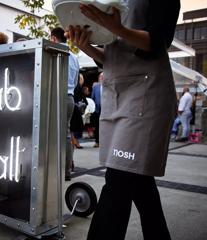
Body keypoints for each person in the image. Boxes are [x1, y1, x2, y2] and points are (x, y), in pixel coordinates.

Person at [66, 0, 180, 239]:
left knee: (118, 179)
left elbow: (158, 42)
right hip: (117, 94)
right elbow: (108, 57)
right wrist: (84, 45)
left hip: (147, 94)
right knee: (139, 183)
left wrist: (117, 28)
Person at [50, 27, 80, 181]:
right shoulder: (74, 57)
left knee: (52, 133)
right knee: (66, 134)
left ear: (54, 38)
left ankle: (56, 169)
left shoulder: (54, 53)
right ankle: (67, 170)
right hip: (70, 98)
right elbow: (75, 82)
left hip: (57, 96)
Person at [71, 74, 87, 149]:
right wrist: (85, 103)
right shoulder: (78, 87)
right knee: (77, 126)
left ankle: (74, 141)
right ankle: (75, 142)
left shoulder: (74, 86)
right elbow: (83, 97)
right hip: (76, 109)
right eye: (82, 78)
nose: (83, 80)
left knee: (74, 126)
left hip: (74, 108)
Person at [91, 72, 103, 147]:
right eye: (101, 77)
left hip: (106, 110)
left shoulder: (108, 86)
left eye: (103, 77)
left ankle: (105, 142)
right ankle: (97, 142)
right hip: (97, 110)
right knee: (97, 126)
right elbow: (93, 98)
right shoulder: (96, 87)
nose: (102, 78)